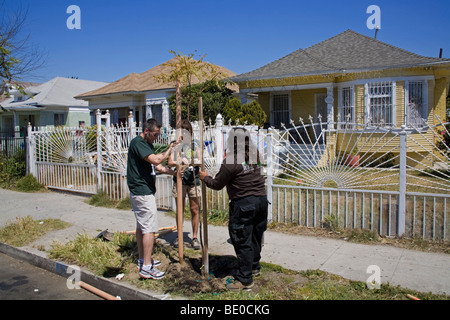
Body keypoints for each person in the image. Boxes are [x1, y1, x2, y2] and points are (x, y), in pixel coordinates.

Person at [199, 127, 268, 291]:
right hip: (261, 201)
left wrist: (205, 177)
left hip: (244, 204)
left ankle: (245, 279)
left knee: (242, 240)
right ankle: (253, 267)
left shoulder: (231, 160)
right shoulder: (254, 155)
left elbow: (217, 184)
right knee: (255, 237)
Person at [127, 118, 178, 279]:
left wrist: (173, 173)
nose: (156, 138)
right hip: (141, 191)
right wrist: (170, 150)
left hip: (144, 190)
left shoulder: (146, 145)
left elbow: (157, 166)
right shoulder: (138, 143)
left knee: (142, 227)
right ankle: (147, 268)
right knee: (149, 228)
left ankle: (143, 260)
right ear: (146, 131)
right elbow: (157, 159)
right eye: (155, 135)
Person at [168, 119, 202, 250]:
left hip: (193, 180)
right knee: (180, 210)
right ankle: (180, 236)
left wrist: (193, 160)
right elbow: (169, 161)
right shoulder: (175, 144)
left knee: (194, 209)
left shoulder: (195, 144)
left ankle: (194, 237)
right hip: (180, 180)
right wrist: (178, 162)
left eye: (187, 132)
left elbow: (200, 159)